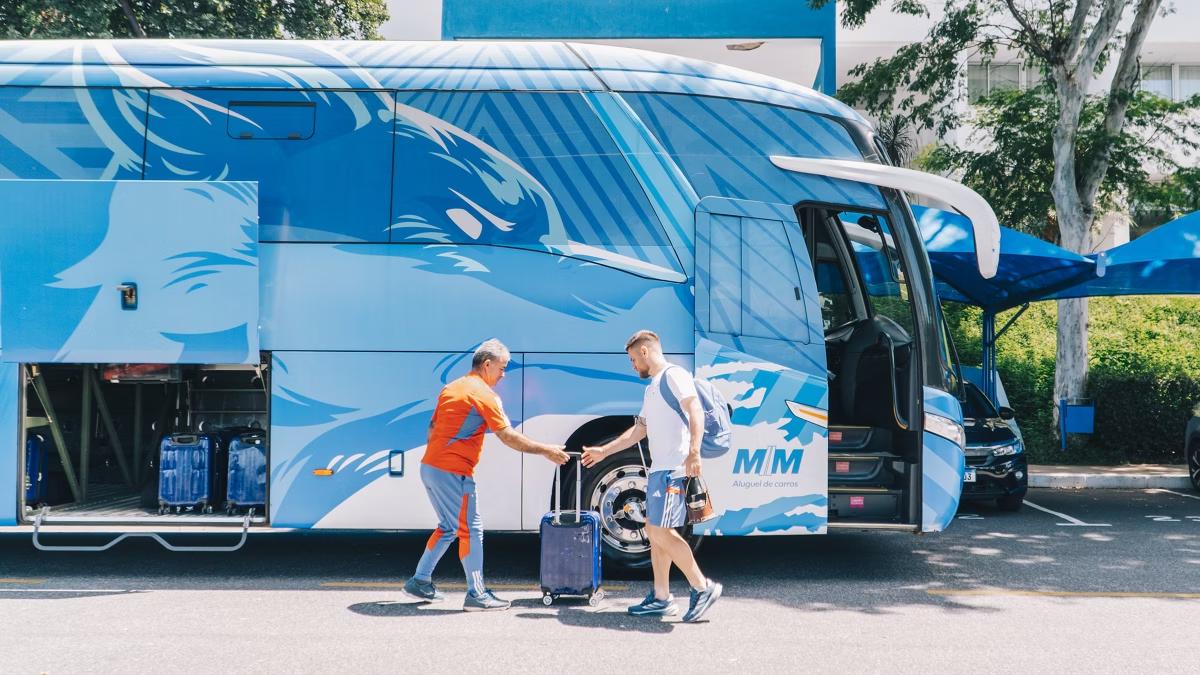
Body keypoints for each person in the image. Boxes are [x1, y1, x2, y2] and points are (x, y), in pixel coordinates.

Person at [403, 338, 570, 611]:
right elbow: (508, 436)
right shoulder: (483, 394)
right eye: (503, 368)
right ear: (488, 364)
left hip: (430, 467)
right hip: (453, 471)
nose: (504, 375)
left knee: (449, 527)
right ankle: (476, 593)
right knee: (471, 529)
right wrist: (545, 450)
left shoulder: (452, 387)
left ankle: (420, 581)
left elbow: (433, 429)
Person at [582, 330, 723, 622]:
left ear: (645, 352)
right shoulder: (653, 387)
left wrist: (694, 452)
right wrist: (603, 451)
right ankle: (661, 597)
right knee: (655, 532)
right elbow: (639, 429)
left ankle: (702, 587)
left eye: (634, 359)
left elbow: (694, 410)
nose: (633, 365)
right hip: (659, 470)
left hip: (674, 470)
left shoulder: (674, 376)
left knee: (660, 532)